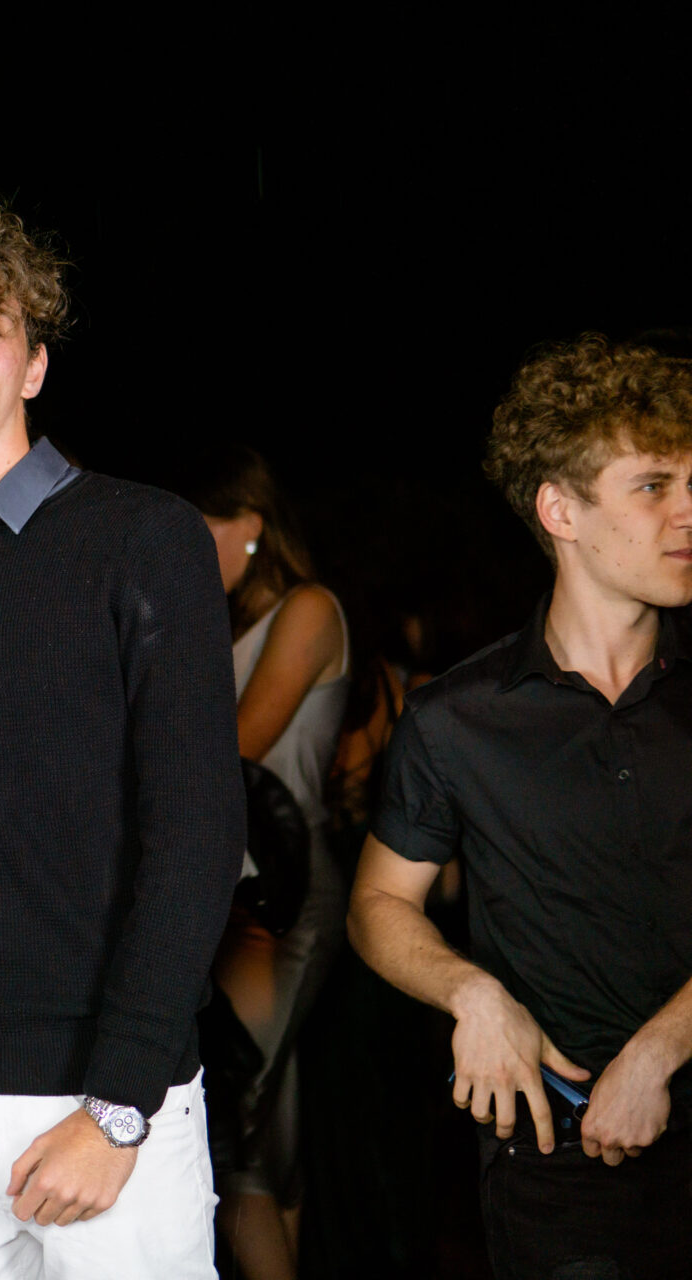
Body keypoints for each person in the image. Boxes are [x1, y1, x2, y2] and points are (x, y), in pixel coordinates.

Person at [0, 192, 245, 1279]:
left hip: (101, 1095)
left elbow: (198, 832)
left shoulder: (142, 538)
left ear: (33, 367)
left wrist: (119, 1101)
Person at [348, 333, 692, 1279]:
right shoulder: (459, 718)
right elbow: (377, 904)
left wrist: (660, 1051)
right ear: (560, 510)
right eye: (654, 486)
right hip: (559, 1163)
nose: (688, 512)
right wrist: (472, 993)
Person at [181, 445, 349, 1280]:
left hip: (283, 886)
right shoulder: (223, 622)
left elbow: (239, 744)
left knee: (234, 1126)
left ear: (249, 525)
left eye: (199, 531)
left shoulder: (308, 609)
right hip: (233, 882)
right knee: (268, 1127)